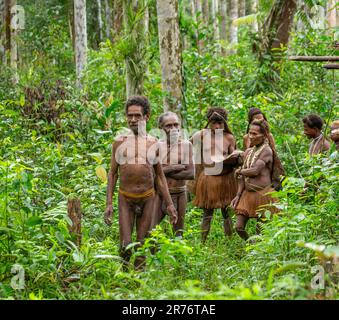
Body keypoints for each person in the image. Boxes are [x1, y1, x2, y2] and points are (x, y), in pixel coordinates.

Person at [104, 96, 177, 270]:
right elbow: (113, 174)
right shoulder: (119, 142)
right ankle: (124, 274)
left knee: (142, 243)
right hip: (126, 198)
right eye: (129, 115)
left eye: (137, 115)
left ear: (147, 116)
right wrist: (108, 203)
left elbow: (159, 176)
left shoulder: (153, 143)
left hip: (148, 197)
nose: (133, 120)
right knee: (125, 244)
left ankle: (138, 283)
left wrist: (169, 204)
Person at [191, 107, 239, 243]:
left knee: (226, 212)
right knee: (207, 214)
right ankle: (202, 243)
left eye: (220, 123)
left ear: (225, 123)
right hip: (208, 179)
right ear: (208, 122)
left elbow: (234, 156)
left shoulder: (229, 138)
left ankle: (230, 241)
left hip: (226, 179)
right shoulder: (201, 135)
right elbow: (186, 146)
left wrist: (233, 159)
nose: (217, 126)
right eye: (214, 123)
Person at [231, 120, 283, 241]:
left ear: (264, 135)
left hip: (263, 195)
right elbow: (241, 178)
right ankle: (251, 243)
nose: (251, 136)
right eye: (250, 133)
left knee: (261, 231)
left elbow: (255, 171)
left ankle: (257, 252)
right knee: (239, 227)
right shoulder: (248, 152)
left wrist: (239, 171)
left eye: (255, 134)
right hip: (247, 195)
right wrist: (238, 195)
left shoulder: (267, 151)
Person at [154, 112, 195, 237]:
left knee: (178, 232)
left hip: (179, 193)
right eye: (168, 126)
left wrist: (164, 170)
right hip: (159, 194)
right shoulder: (156, 145)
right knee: (150, 230)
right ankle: (152, 255)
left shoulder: (186, 145)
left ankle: (178, 256)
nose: (173, 129)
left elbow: (190, 173)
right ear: (161, 128)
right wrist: (174, 167)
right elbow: (152, 174)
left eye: (175, 125)